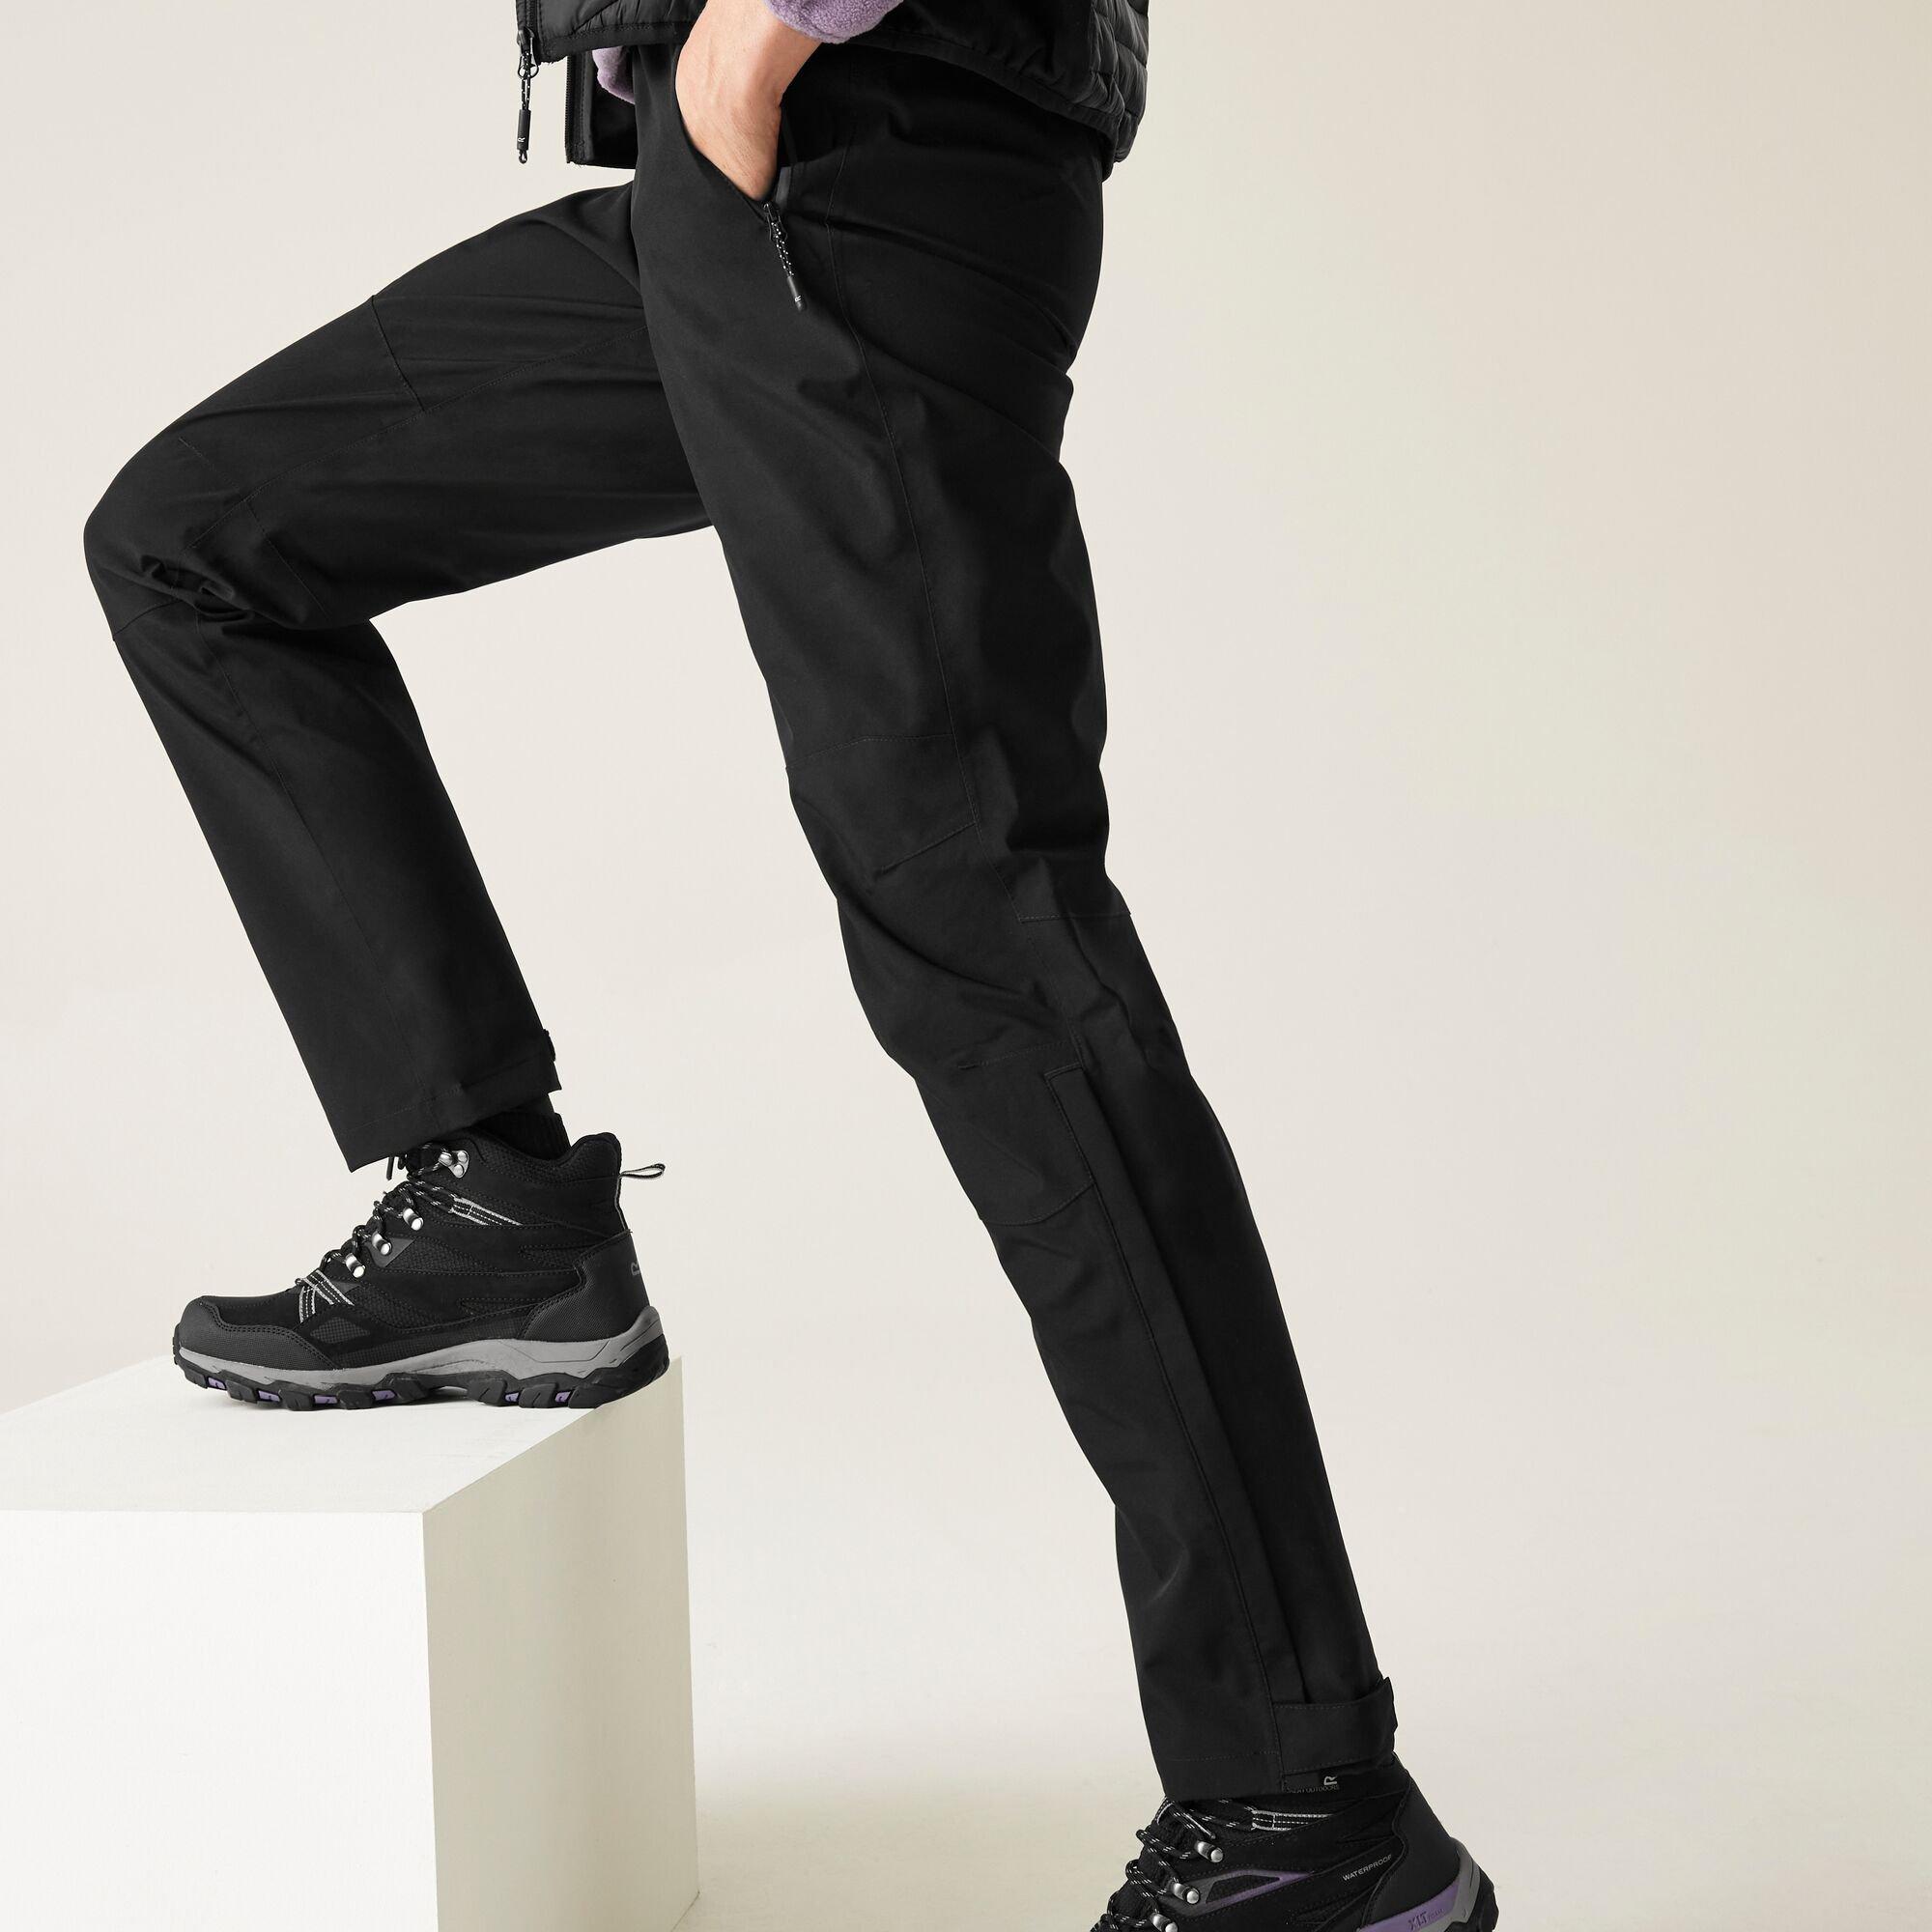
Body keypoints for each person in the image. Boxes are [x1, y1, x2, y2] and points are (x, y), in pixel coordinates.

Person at [82, 2, 1497, 1926]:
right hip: (742, 184)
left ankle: (1302, 1800)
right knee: (197, 541)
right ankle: (501, 1215)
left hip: (852, 158)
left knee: (987, 945)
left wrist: (760, 38)